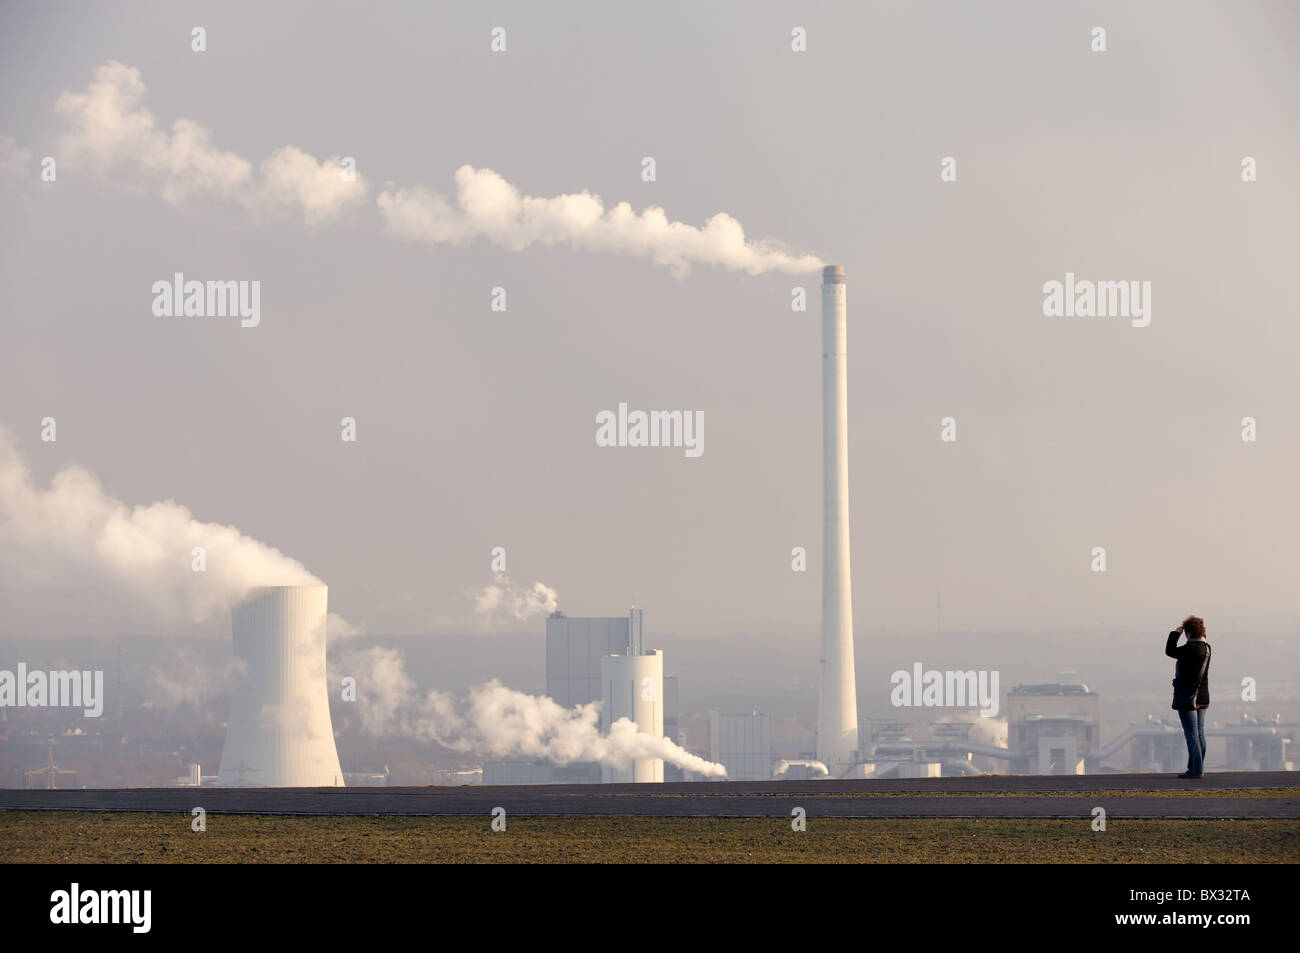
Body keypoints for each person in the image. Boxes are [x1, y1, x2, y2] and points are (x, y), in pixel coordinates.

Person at [1166, 616, 1211, 778]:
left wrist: (1175, 634)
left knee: (1191, 734)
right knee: (1199, 733)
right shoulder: (1207, 648)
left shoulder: (1188, 650)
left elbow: (1169, 651)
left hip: (1188, 696)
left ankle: (1197, 770)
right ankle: (1195, 767)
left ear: (1189, 632)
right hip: (1203, 696)